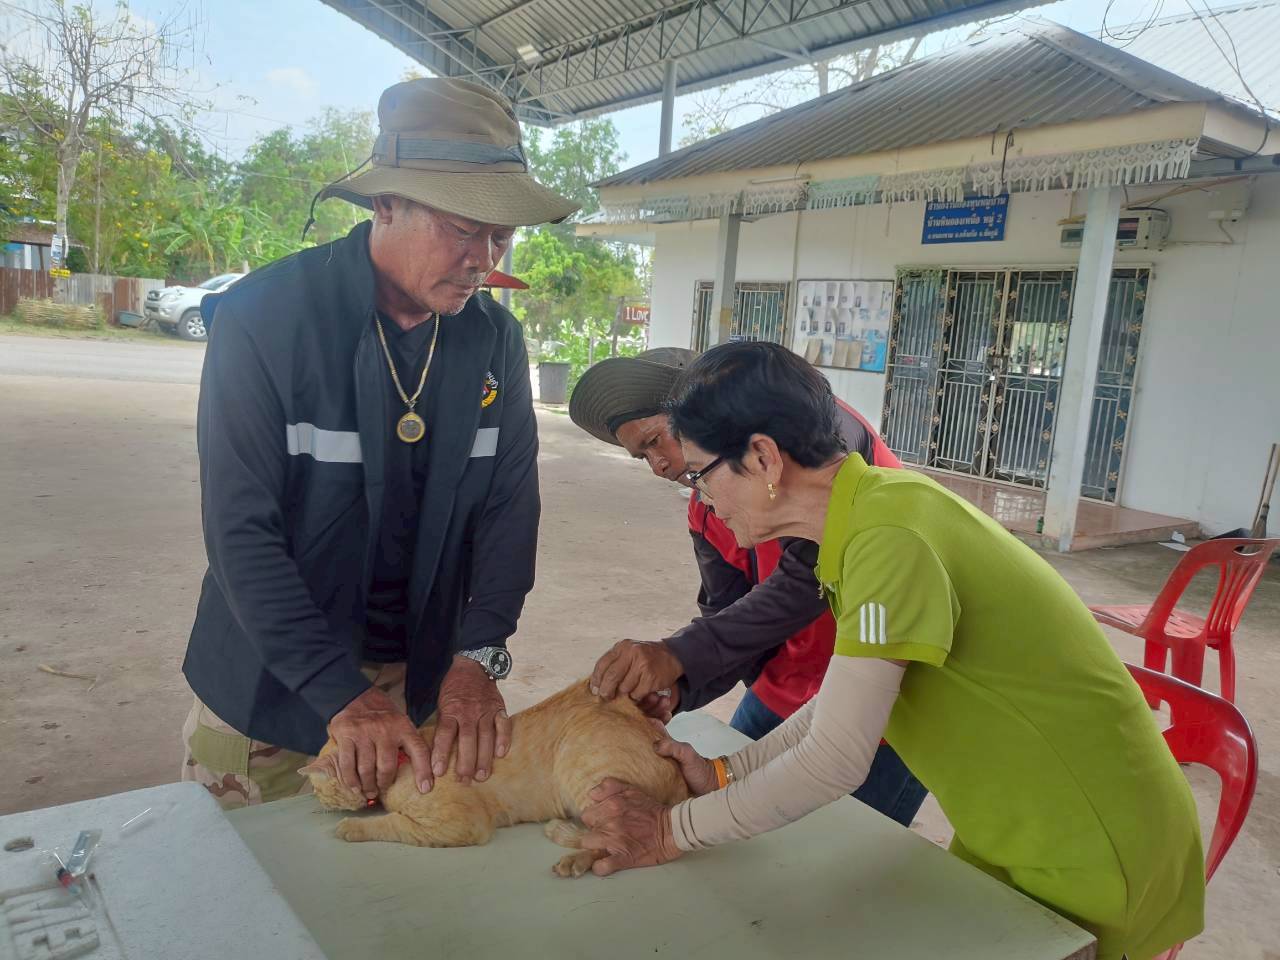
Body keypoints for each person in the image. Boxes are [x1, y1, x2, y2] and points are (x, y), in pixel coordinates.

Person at [579, 342, 1204, 960]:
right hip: (1015, 830)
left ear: (764, 458)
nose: (703, 498)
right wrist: (725, 773)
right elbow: (841, 704)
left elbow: (837, 760)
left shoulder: (890, 537)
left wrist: (669, 832)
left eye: (702, 473)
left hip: (1092, 848)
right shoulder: (863, 522)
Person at [180, 77, 578, 809]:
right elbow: (242, 533)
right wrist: (343, 696)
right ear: (385, 205)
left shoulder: (492, 340)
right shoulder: (266, 321)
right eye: (464, 228)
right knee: (239, 894)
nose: (483, 259)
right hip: (274, 685)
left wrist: (478, 655)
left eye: (502, 235)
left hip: (419, 687)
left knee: (386, 899)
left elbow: (508, 511)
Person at [568, 348, 926, 826]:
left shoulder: (828, 449)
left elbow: (807, 582)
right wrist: (679, 684)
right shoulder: (705, 506)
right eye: (642, 456)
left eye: (657, 441)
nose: (657, 465)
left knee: (833, 865)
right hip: (780, 695)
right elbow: (725, 612)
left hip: (883, 706)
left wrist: (678, 653)